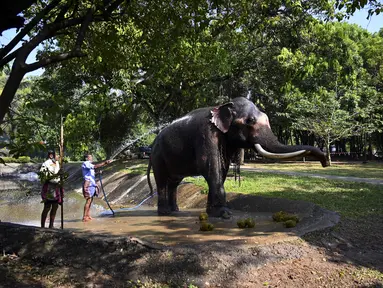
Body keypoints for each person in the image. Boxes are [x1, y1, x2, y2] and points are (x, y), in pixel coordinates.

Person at [82, 153, 111, 222]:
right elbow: (95, 166)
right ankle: (84, 217)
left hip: (92, 184)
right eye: (90, 157)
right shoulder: (86, 163)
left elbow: (90, 173)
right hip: (88, 184)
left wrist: (98, 173)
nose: (91, 158)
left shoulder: (89, 165)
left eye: (91, 157)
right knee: (88, 200)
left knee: (91, 200)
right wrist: (105, 163)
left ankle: (88, 215)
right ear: (86, 158)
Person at [40, 150, 63, 228]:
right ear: (51, 155)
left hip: (56, 187)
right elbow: (43, 175)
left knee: (55, 206)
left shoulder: (57, 163)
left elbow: (58, 174)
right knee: (47, 207)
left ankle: (51, 225)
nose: (59, 157)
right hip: (49, 187)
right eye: (57, 155)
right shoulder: (46, 163)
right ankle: (42, 226)